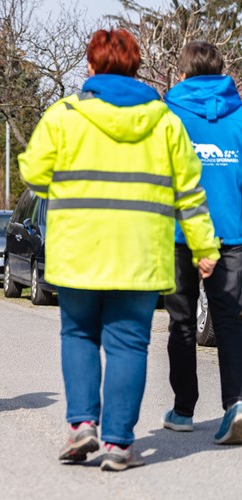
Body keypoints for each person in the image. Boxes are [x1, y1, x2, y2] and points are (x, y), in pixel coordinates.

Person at [18, 29, 220, 471]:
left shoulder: (64, 115)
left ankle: (81, 425)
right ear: (136, 67)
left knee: (79, 336)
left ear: (90, 68)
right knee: (129, 344)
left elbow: (33, 174)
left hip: (78, 251)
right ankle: (117, 444)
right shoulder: (165, 121)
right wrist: (205, 247)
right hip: (141, 254)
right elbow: (190, 193)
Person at [162, 41, 242, 444]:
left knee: (182, 322)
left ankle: (183, 410)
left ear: (184, 73)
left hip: (179, 233)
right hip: (232, 232)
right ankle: (237, 404)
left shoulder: (169, 115)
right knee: (229, 320)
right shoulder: (240, 115)